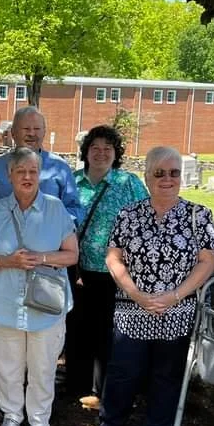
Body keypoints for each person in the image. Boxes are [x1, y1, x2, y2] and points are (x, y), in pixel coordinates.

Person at [88, 146, 214, 426]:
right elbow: (113, 256)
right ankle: (111, 424)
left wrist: (175, 295)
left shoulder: (198, 216)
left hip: (176, 310)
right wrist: (135, 292)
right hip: (132, 307)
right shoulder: (129, 214)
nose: (167, 179)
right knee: (123, 370)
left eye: (173, 172)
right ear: (147, 177)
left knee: (167, 373)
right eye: (159, 173)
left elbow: (209, 260)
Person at [0, 148, 79, 426]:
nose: (27, 176)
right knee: (7, 366)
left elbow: (72, 254)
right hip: (5, 302)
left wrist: (40, 258)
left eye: (33, 171)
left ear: (40, 175)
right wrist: (8, 261)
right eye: (20, 171)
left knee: (43, 367)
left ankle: (39, 422)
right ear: (9, 176)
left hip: (46, 307)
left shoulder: (56, 208)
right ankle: (11, 417)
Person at [68, 125, 149, 405]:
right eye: (95, 147)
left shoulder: (129, 183)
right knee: (76, 327)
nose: (101, 153)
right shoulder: (72, 181)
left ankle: (105, 390)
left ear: (116, 154)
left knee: (109, 331)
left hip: (115, 271)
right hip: (76, 269)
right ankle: (76, 385)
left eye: (107, 148)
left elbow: (146, 220)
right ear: (85, 152)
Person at [0, 106, 84, 227]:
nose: (31, 133)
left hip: (49, 243)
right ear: (13, 133)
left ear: (44, 132)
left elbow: (75, 210)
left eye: (36, 129)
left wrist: (55, 227)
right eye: (26, 129)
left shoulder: (60, 168)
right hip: (4, 242)